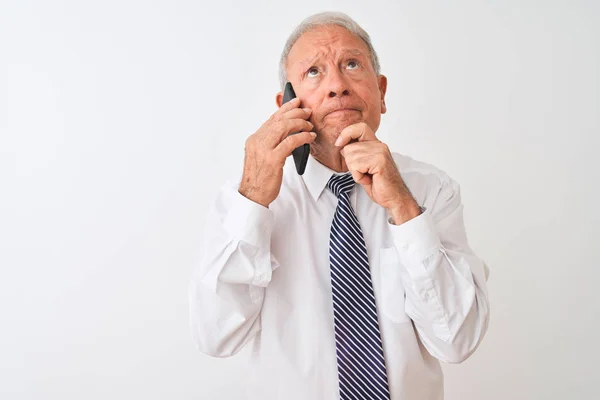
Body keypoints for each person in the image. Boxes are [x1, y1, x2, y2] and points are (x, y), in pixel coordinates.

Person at [189, 11, 490, 400]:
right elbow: (215, 337)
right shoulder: (249, 200)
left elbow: (459, 340)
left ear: (381, 92)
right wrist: (253, 200)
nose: (336, 86)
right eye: (313, 72)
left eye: (351, 64)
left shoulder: (430, 191)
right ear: (286, 104)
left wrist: (402, 206)